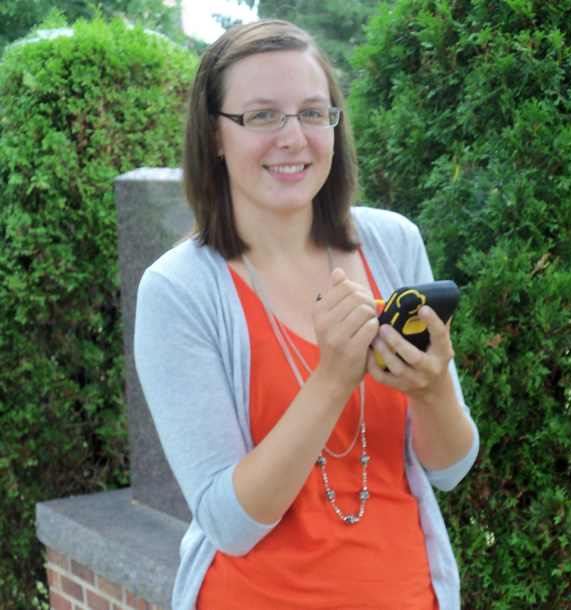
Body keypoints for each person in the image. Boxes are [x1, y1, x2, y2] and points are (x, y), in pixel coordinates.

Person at [134, 19, 479, 610]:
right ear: (215, 135)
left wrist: (432, 391)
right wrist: (332, 378)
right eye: (262, 115)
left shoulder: (392, 243)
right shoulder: (179, 290)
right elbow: (228, 522)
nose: (293, 137)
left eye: (313, 113)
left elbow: (449, 469)